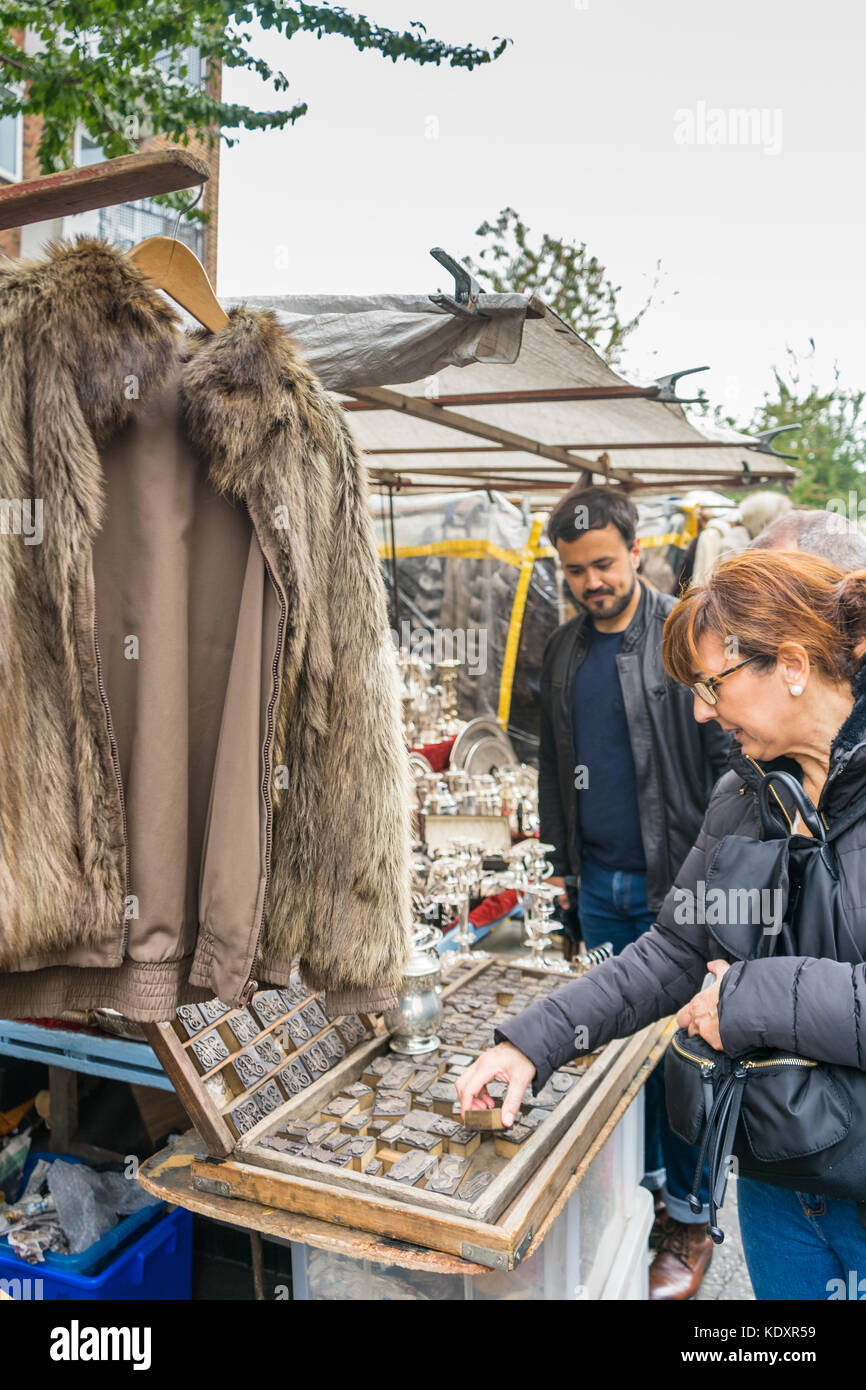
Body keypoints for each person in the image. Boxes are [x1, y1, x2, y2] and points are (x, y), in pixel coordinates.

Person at [456, 548, 866, 1301]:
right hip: (782, 1179)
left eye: (712, 685)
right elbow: (677, 948)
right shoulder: (744, 798)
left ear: (795, 666)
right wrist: (532, 1043)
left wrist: (746, 998)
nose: (703, 712)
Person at [533, 484, 732, 1299]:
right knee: (617, 1051)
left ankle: (688, 1215)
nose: (591, 581)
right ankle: (637, 1190)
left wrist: (727, 872)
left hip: (682, 885)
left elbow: (731, 757)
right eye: (575, 570)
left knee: (688, 1053)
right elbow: (553, 765)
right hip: (604, 887)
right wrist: (557, 865)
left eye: (604, 563)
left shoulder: (686, 634)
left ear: (637, 551)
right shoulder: (562, 648)